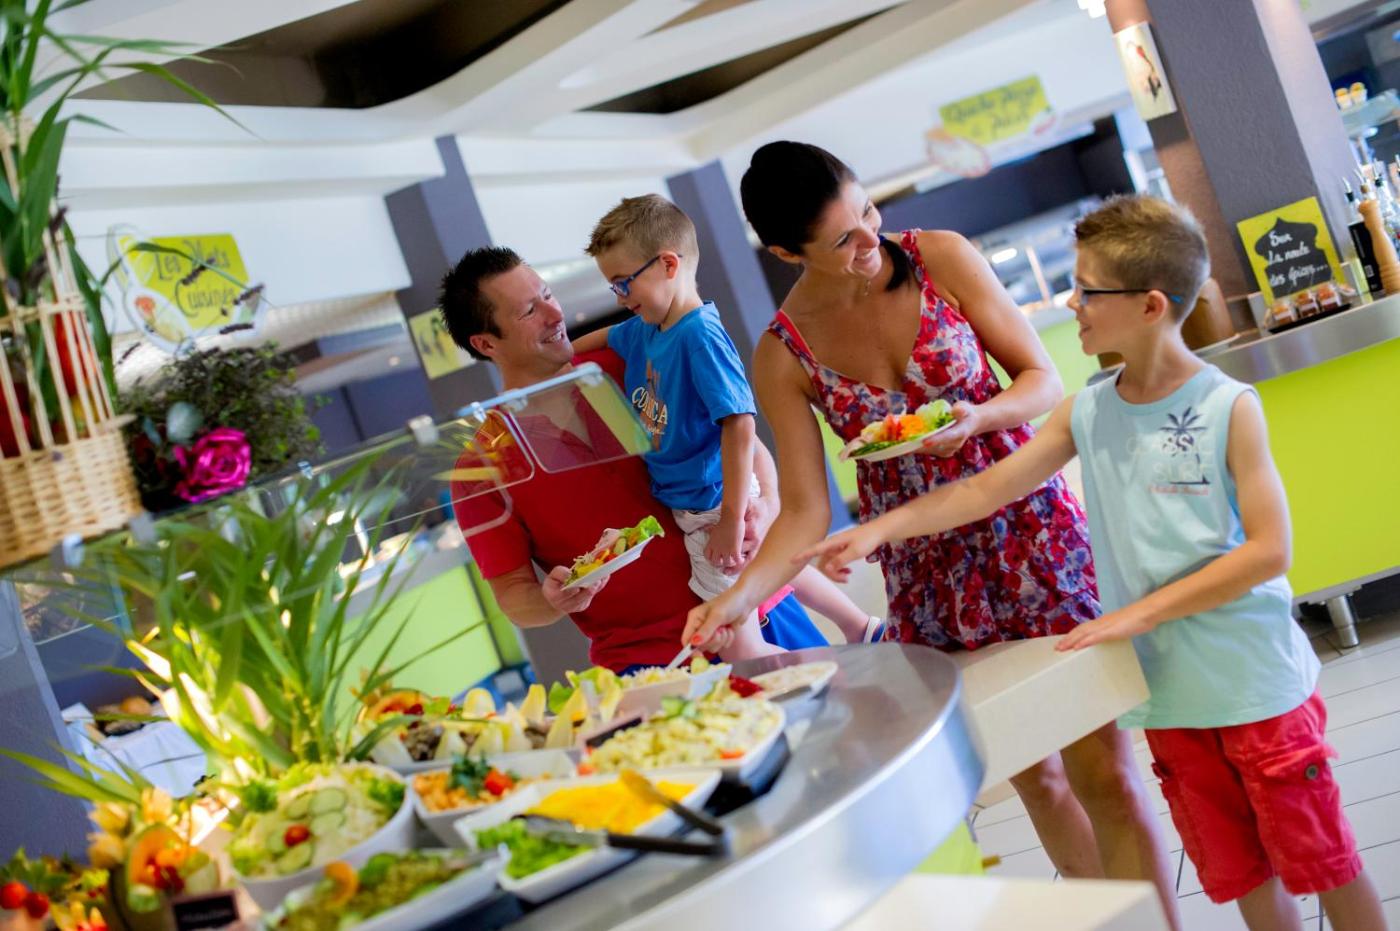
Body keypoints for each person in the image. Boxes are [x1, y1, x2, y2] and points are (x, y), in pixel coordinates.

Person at [795, 195, 1386, 931]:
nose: (1071, 302)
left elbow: (1270, 551)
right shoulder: (1086, 411)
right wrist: (878, 530)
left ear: (1149, 306)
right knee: (1243, 877)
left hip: (1257, 686)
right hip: (1170, 700)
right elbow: (983, 489)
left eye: (1087, 290)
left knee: (1325, 864)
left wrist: (1133, 615)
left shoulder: (1228, 406)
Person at [681, 142, 1179, 926]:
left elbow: (1041, 378)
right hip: (930, 579)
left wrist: (980, 416)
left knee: (1106, 775)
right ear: (785, 254)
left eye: (867, 211)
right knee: (1035, 778)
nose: (869, 239)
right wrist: (735, 598)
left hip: (1031, 534)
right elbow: (804, 509)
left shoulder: (939, 257)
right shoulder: (782, 353)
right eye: (842, 239)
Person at [437, 245, 824, 673]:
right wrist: (551, 600)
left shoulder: (630, 362)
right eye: (529, 311)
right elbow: (514, 596)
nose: (554, 314)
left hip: (760, 609)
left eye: (547, 294)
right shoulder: (480, 469)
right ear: (486, 343)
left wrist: (765, 506)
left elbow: (741, 444)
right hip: (655, 665)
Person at [575, 193, 884, 649]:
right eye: (614, 288)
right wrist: (557, 364)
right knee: (770, 567)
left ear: (668, 264)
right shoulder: (646, 330)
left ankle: (824, 674)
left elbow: (739, 424)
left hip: (714, 504)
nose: (621, 299)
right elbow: (604, 337)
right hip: (703, 501)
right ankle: (860, 626)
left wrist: (733, 520)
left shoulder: (698, 335)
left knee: (740, 649)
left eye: (624, 284)